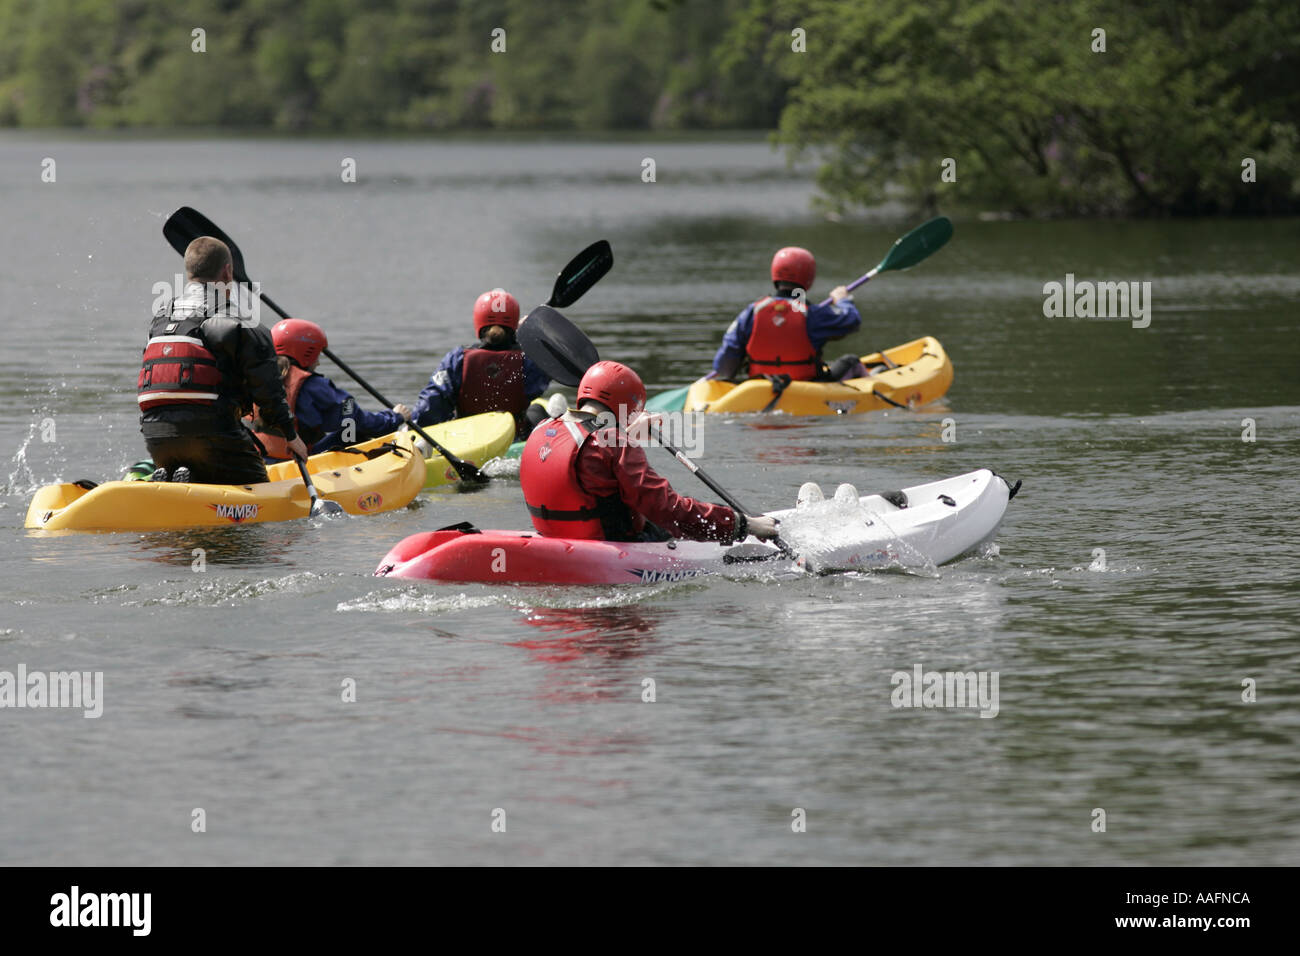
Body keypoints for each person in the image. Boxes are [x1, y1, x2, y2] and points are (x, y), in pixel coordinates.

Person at [520, 360, 779, 543]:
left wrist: (627, 436)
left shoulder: (543, 428)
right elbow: (667, 510)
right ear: (625, 407)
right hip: (614, 543)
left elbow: (588, 460)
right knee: (695, 514)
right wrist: (742, 525)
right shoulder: (615, 442)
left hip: (555, 536)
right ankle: (746, 523)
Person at [138, 236, 307, 484]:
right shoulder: (241, 324)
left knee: (193, 462)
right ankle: (197, 477)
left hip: (157, 441)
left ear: (189, 273)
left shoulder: (160, 321)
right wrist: (291, 436)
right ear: (228, 272)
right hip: (216, 440)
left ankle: (178, 476)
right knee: (259, 486)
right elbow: (269, 394)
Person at [247, 319, 411, 460]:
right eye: (317, 355)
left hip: (260, 457)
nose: (318, 363)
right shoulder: (313, 386)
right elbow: (354, 418)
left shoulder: (255, 377)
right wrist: (394, 417)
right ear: (307, 353)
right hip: (300, 459)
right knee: (354, 433)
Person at [710, 246, 865, 382]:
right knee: (851, 361)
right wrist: (843, 300)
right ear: (809, 277)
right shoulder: (811, 315)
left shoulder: (752, 313)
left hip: (759, 387)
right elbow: (852, 320)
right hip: (806, 388)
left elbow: (724, 366)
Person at [412, 289, 550, 438]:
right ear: (514, 324)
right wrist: (530, 339)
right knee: (537, 410)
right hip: (514, 438)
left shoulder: (458, 359)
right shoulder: (528, 360)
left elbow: (429, 409)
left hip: (467, 440)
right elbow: (550, 372)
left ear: (478, 321)